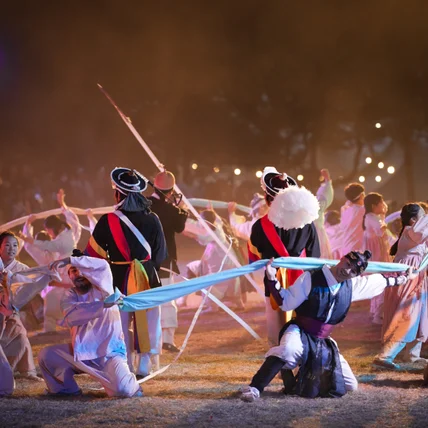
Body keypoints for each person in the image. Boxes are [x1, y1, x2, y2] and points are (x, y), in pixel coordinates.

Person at [240, 251, 415, 401]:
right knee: (288, 351)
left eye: (353, 271)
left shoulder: (351, 285)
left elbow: (381, 281)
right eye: (347, 264)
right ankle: (255, 388)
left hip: (323, 341)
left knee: (350, 385)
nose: (347, 271)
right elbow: (285, 302)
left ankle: (294, 372)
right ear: (341, 259)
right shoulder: (311, 278)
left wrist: (405, 276)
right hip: (299, 331)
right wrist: (271, 278)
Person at [85, 167, 167, 377]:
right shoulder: (153, 219)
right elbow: (160, 253)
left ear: (117, 193)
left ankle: (124, 364)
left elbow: (94, 255)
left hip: (118, 277)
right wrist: (145, 270)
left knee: (120, 322)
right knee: (149, 320)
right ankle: (144, 365)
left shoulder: (107, 221)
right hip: (148, 276)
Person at [38, 255, 142, 397]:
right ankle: (66, 390)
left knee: (122, 390)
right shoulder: (69, 296)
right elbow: (72, 316)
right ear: (69, 276)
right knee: (47, 355)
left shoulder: (103, 288)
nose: (79, 273)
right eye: (74, 270)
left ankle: (132, 385)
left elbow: (103, 265)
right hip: (81, 354)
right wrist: (102, 305)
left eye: (83, 269)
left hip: (109, 353)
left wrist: (69, 260)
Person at [248, 166, 320, 346]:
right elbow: (315, 255)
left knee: (276, 328)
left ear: (268, 198)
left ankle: (281, 363)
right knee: (302, 323)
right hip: (302, 279)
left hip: (273, 279)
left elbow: (255, 250)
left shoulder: (260, 226)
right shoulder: (307, 223)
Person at [373, 203, 428, 369]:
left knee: (419, 314)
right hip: (408, 279)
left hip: (416, 278)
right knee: (407, 314)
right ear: (413, 220)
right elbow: (422, 232)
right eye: (423, 216)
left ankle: (412, 355)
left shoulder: (412, 234)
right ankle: (384, 356)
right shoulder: (412, 233)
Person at [148, 170, 188, 353]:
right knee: (168, 301)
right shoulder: (171, 210)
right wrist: (183, 210)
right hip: (164, 260)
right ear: (171, 190)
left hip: (144, 262)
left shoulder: (144, 205)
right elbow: (179, 227)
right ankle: (167, 340)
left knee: (147, 301)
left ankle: (148, 339)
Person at [0, 232, 43, 382]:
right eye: (7, 245)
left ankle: (27, 370)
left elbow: (29, 288)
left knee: (20, 337)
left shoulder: (22, 267)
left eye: (15, 245)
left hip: (11, 311)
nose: (11, 249)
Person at [362, 193, 391, 325]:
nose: (384, 204)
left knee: (377, 278)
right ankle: (378, 314)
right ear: (374, 206)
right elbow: (381, 231)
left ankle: (375, 311)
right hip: (378, 253)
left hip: (375, 252)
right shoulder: (373, 218)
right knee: (382, 278)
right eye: (382, 202)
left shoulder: (370, 216)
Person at [339, 182, 365, 257]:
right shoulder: (363, 210)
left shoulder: (345, 209)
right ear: (362, 195)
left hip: (346, 247)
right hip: (358, 249)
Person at [314, 169, 334, 259]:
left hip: (318, 234)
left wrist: (328, 181)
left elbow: (326, 199)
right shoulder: (313, 204)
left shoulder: (317, 205)